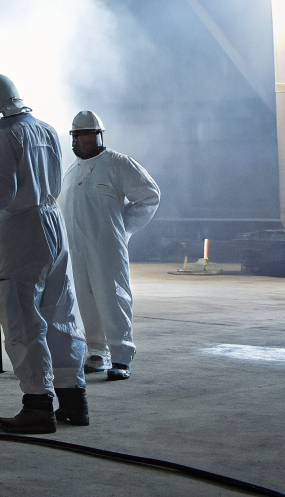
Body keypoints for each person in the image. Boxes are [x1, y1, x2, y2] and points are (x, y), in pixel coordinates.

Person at [0, 74, 89, 434]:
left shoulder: (5, 137)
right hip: (52, 222)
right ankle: (73, 399)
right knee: (60, 312)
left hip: (20, 230)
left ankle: (37, 406)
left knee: (20, 315)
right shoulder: (45, 130)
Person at [60, 110, 160, 382]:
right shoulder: (70, 173)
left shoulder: (117, 164)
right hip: (77, 250)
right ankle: (96, 352)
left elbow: (149, 196)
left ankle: (121, 356)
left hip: (107, 248)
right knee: (84, 299)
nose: (87, 142)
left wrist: (123, 229)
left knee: (113, 298)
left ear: (100, 136)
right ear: (74, 139)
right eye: (81, 137)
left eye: (91, 136)